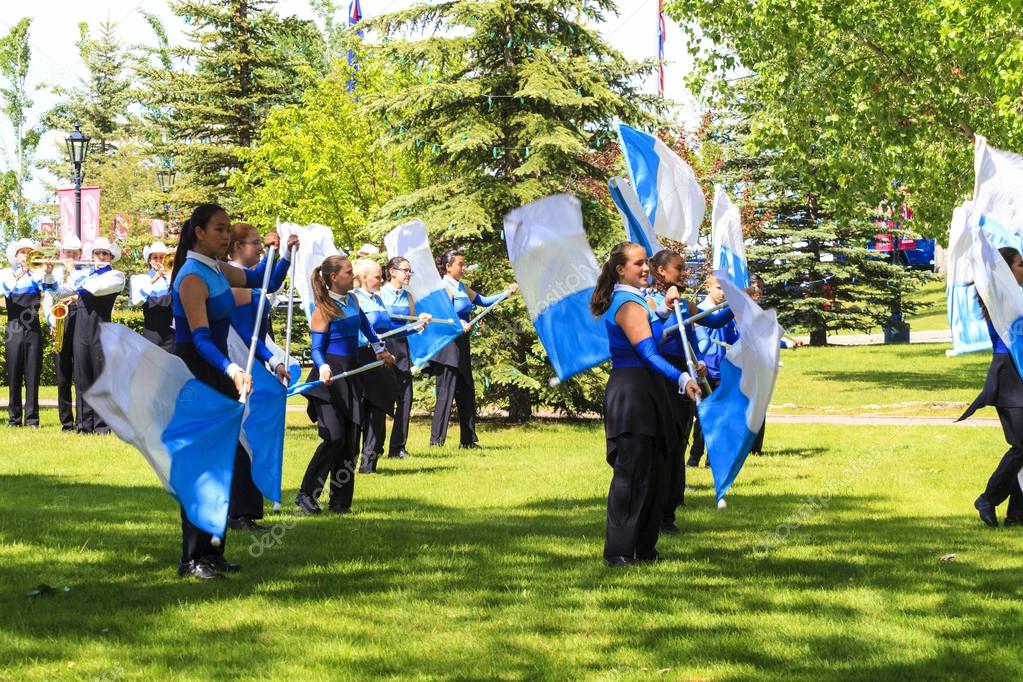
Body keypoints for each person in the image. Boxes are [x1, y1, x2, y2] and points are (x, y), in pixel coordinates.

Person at [169, 203, 282, 579]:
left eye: (228, 229)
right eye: (219, 229)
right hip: (198, 374)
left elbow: (266, 281)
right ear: (199, 232)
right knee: (200, 467)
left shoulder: (218, 270)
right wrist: (232, 368)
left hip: (217, 375)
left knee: (222, 466)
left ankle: (213, 553)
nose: (226, 236)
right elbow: (200, 340)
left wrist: (279, 248)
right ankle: (191, 559)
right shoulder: (191, 277)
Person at [590, 242, 701, 567]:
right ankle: (620, 551)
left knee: (655, 470)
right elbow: (648, 352)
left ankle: (643, 548)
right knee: (633, 473)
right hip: (633, 391)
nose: (644, 268)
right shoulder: (626, 303)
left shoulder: (639, 300)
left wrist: (664, 311)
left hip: (647, 389)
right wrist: (682, 379)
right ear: (621, 269)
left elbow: (655, 334)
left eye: (646, 263)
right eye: (637, 264)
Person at [645, 250, 734, 535]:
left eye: (685, 268)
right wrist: (667, 312)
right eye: (679, 268)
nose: (685, 273)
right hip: (662, 377)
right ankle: (656, 514)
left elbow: (717, 322)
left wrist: (740, 301)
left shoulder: (685, 304)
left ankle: (669, 512)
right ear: (661, 272)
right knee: (663, 443)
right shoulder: (649, 301)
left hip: (687, 379)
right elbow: (652, 340)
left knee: (678, 442)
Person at [297, 255, 394, 515]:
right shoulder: (324, 308)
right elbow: (316, 349)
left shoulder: (352, 300)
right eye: (349, 272)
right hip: (328, 377)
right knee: (334, 437)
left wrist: (380, 349)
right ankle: (306, 494)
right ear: (334, 277)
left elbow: (366, 326)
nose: (354, 276)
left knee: (350, 440)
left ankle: (340, 502)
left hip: (350, 373)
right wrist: (325, 367)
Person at [225, 222, 296, 532]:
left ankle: (244, 509)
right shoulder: (233, 278)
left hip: (250, 354)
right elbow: (242, 329)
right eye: (255, 243)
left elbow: (269, 281)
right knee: (243, 434)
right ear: (238, 247)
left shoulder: (247, 279)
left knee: (248, 434)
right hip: (237, 356)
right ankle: (240, 512)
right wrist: (267, 360)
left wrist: (284, 256)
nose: (258, 247)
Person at [429, 249, 518, 448]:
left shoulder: (462, 287)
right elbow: (441, 317)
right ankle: (437, 442)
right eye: (460, 264)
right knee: (446, 393)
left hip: (462, 344)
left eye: (464, 264)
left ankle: (468, 440)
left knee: (466, 392)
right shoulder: (443, 287)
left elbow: (484, 301)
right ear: (448, 267)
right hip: (447, 346)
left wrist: (506, 292)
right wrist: (457, 323)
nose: (463, 268)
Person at [960, 246, 1023, 527]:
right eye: (1020, 264)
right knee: (1021, 446)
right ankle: (988, 498)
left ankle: (1017, 515)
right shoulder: (999, 299)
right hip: (1008, 380)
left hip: (1019, 375)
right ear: (1005, 271)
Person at [351, 258, 431, 473]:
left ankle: (369, 465)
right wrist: (370, 343)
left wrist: (416, 326)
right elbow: (354, 330)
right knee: (359, 414)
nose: (380, 280)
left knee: (378, 412)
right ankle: (349, 462)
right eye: (377, 276)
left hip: (379, 360)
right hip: (362, 359)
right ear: (363, 278)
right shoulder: (354, 299)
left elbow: (391, 329)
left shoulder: (376, 300)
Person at [53, 237, 126, 434]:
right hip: (81, 331)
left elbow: (95, 289)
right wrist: (48, 276)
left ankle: (102, 426)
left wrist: (72, 270)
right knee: (82, 376)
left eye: (105, 254)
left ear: (110, 257)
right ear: (92, 256)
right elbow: (60, 292)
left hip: (101, 330)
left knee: (100, 377)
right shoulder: (86, 274)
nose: (100, 257)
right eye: (97, 253)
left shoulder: (116, 276)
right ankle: (84, 425)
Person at [379, 257, 430, 459]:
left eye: (410, 271)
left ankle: (398, 448)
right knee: (380, 399)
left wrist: (420, 324)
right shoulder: (379, 295)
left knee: (405, 398)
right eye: (405, 270)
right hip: (382, 348)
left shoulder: (408, 296)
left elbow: (409, 327)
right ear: (392, 271)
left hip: (401, 350)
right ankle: (372, 448)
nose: (408, 274)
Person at [688, 274, 740, 467]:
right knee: (703, 417)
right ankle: (694, 458)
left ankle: (713, 459)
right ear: (708, 288)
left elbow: (733, 342)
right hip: (703, 374)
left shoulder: (725, 314)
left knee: (720, 417)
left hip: (721, 373)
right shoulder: (699, 312)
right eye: (718, 287)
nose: (722, 292)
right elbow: (697, 344)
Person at [1, 238, 54, 428]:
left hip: (33, 330)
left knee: (33, 376)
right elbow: (3, 291)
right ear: (16, 257)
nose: (25, 255)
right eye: (22, 252)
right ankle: (14, 419)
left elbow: (51, 290)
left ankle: (32, 419)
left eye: (28, 252)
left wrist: (47, 273)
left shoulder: (36, 276)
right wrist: (20, 273)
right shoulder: (6, 274)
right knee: (13, 375)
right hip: (13, 329)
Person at [48, 237, 87, 431]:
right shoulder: (54, 272)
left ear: (80, 254)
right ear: (63, 253)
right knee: (62, 375)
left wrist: (74, 296)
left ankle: (82, 419)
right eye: (67, 252)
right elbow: (49, 297)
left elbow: (86, 294)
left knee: (80, 373)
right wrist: (52, 320)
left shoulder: (86, 272)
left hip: (79, 319)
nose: (70, 256)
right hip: (60, 318)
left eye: (74, 252)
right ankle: (66, 422)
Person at [136, 242, 174, 351]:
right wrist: (155, 278)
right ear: (149, 260)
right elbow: (137, 300)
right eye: (155, 258)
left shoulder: (171, 277)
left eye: (162, 257)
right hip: (151, 331)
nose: (158, 261)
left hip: (170, 332)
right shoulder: (142, 278)